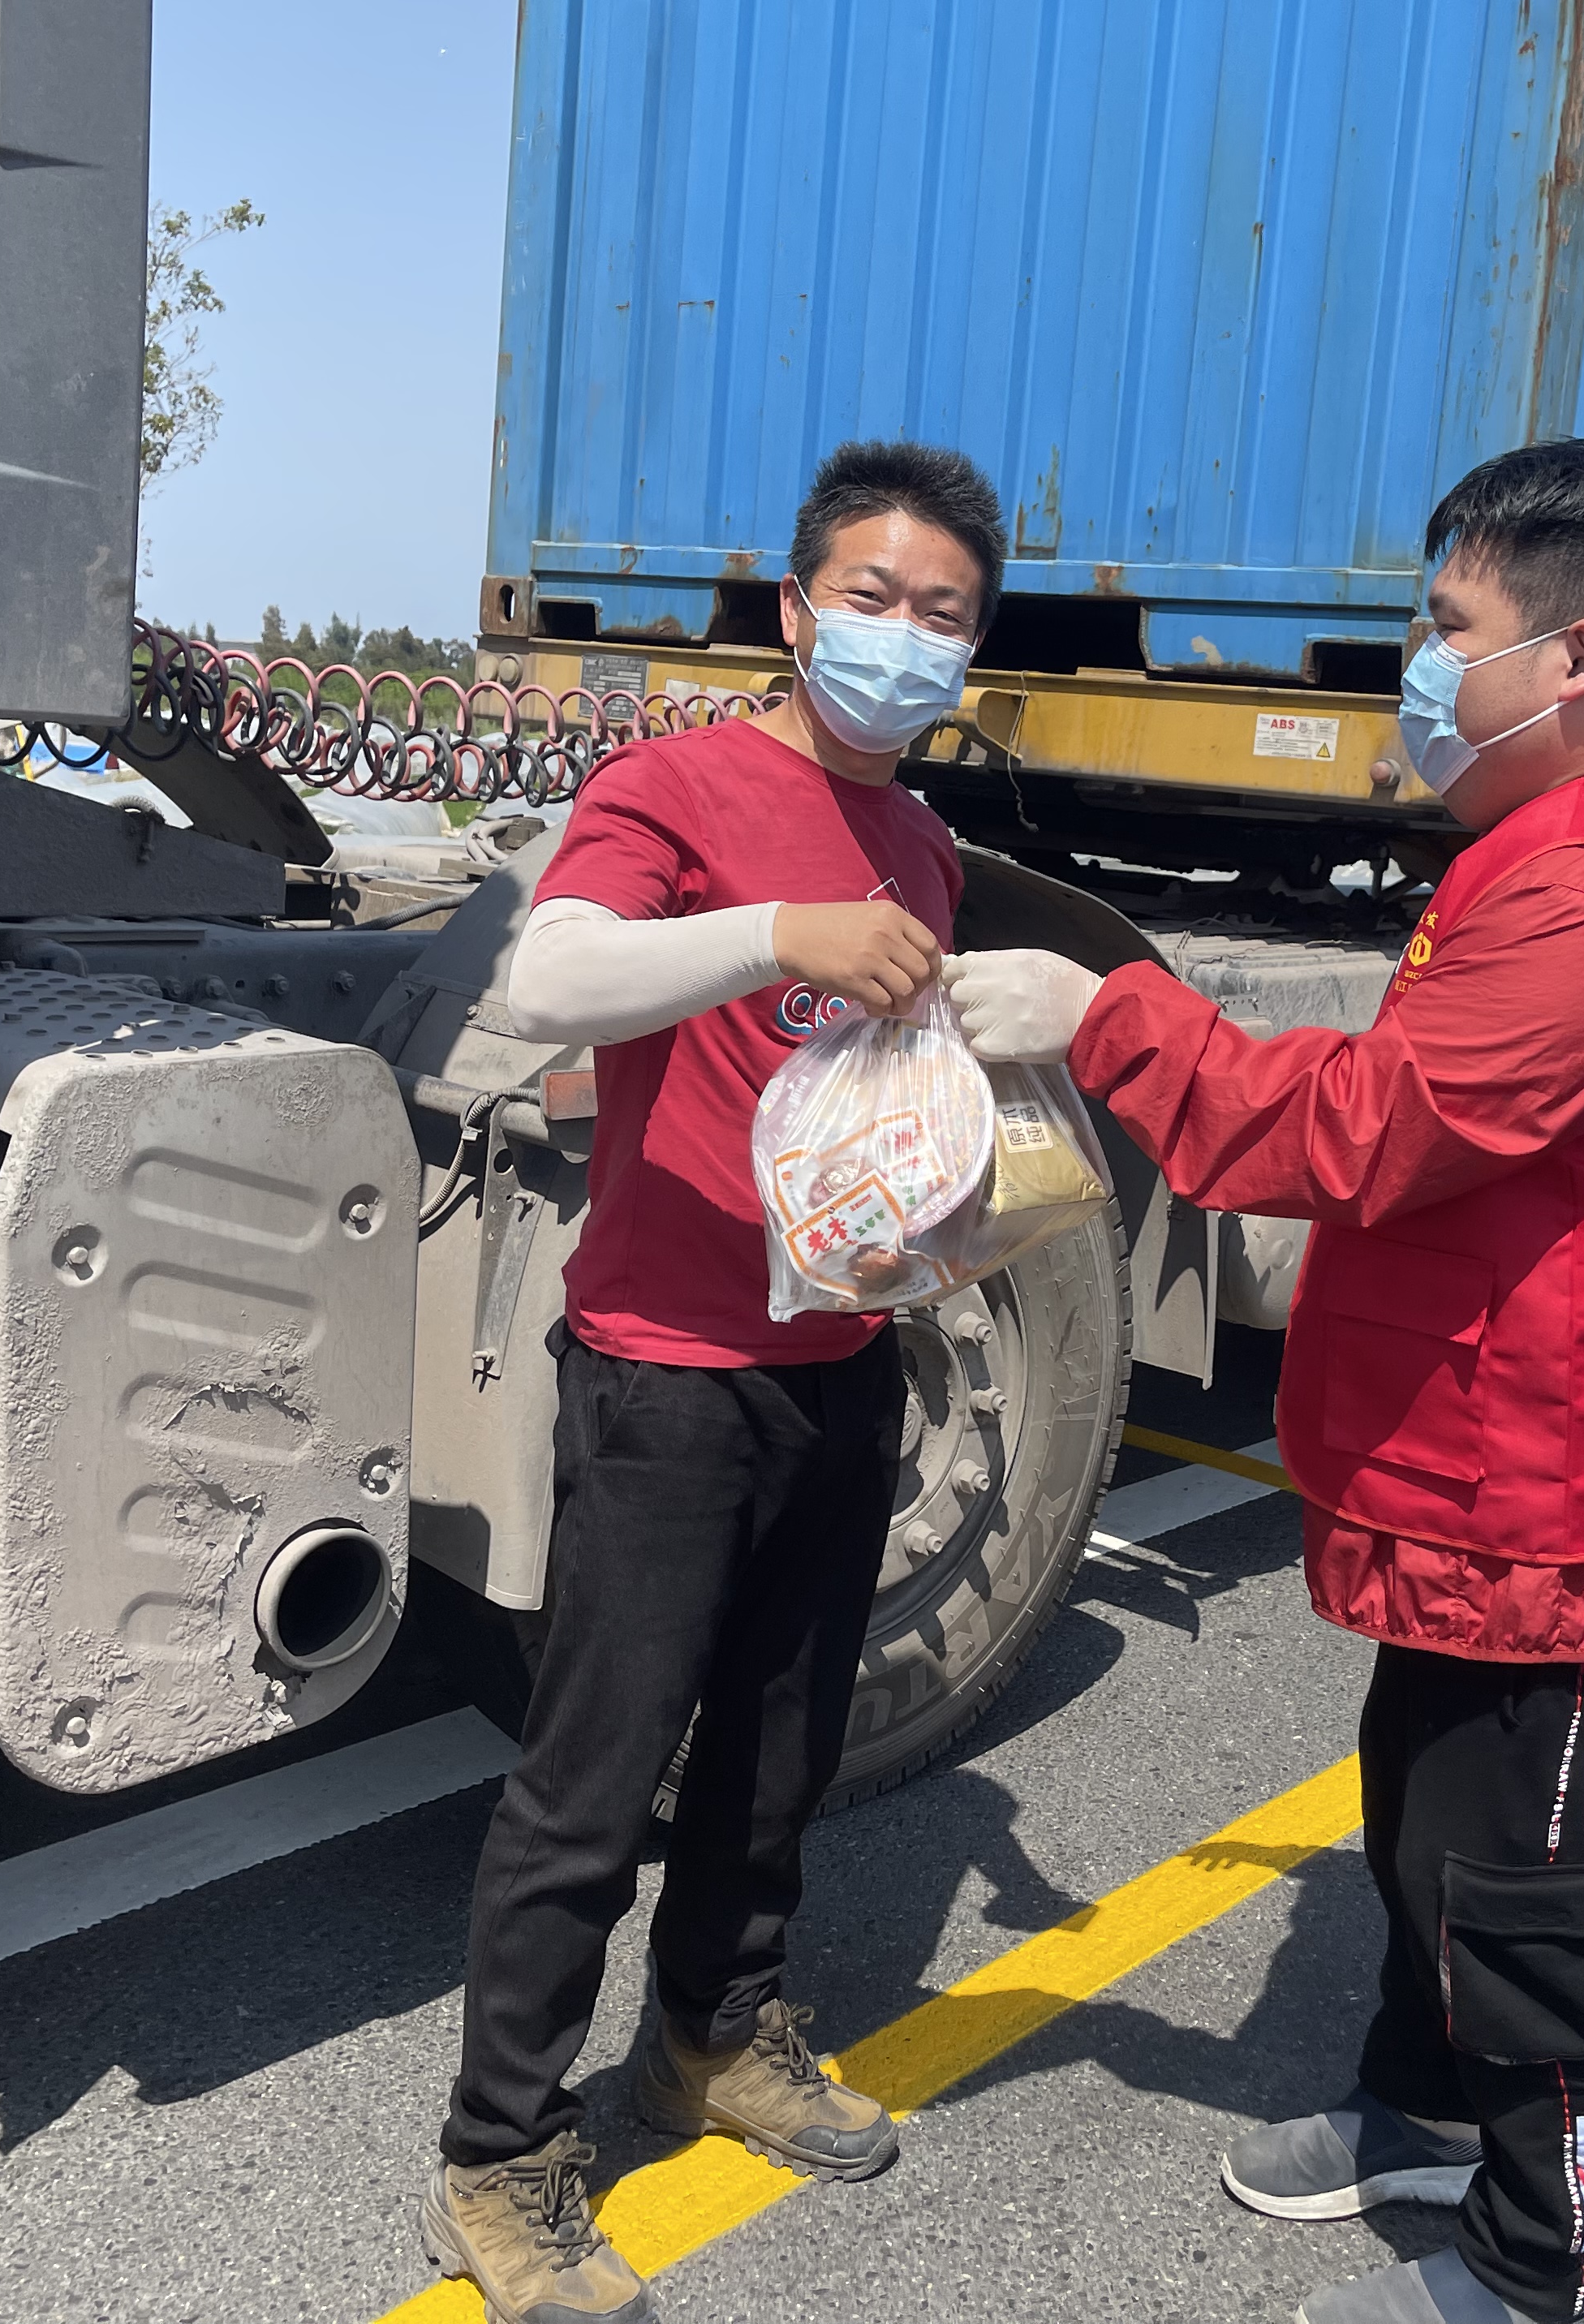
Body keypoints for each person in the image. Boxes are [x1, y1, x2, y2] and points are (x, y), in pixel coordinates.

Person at [947, 441, 1584, 2324]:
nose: (1417, 667)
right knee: (1432, 1832)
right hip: (1509, 1481)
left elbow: (1368, 1128)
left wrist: (1108, 1016)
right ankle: (1423, 2113)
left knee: (1536, 1911)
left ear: (1573, 660)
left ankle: (1538, 2263)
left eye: (1447, 627)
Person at [424, 441, 1005, 2324]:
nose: (905, 636)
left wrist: (942, 1218)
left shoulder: (924, 845)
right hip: (669, 1378)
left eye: (944, 614)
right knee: (592, 1789)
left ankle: (712, 2035)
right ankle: (501, 2159)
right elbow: (550, 980)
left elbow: (878, 1101)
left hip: (845, 1358)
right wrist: (772, 932)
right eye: (874, 596)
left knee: (780, 1753)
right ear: (796, 607)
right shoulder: (674, 784)